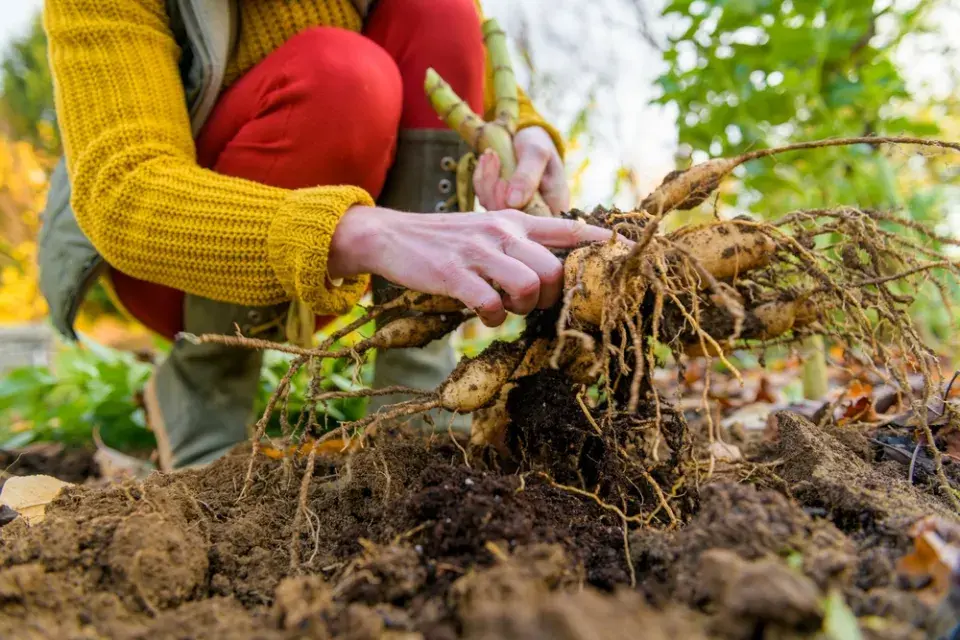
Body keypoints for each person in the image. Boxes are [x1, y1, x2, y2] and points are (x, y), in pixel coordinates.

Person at [38, 0, 614, 471]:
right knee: (339, 75)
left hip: (339, 266)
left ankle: (419, 397)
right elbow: (123, 192)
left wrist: (526, 135)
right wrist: (366, 232)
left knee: (441, 10)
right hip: (166, 264)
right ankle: (206, 390)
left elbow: (455, 54)